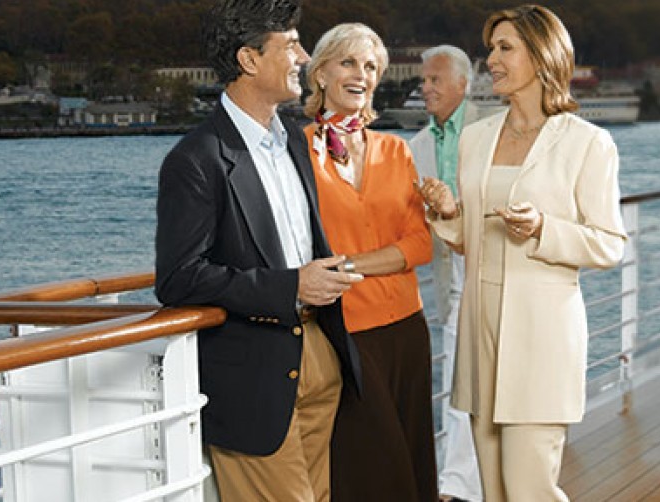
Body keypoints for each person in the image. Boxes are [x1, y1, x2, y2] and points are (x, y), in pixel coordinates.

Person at [154, 0, 364, 500]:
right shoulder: (195, 159)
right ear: (249, 60)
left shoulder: (294, 140)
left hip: (320, 352)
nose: (304, 58)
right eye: (290, 46)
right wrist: (291, 286)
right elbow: (179, 278)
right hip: (252, 376)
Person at [418, 5, 627, 501]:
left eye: (505, 48)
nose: (491, 59)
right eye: (491, 48)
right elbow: (472, 237)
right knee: (493, 491)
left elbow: (609, 243)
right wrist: (448, 212)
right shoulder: (476, 139)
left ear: (541, 55)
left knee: (530, 488)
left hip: (541, 335)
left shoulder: (588, 143)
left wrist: (542, 229)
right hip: (480, 331)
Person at [301, 23, 438, 502]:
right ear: (320, 74)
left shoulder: (396, 150)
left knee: (412, 461)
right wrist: (377, 262)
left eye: (370, 66)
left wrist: (345, 267)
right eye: (348, 62)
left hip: (407, 329)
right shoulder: (296, 153)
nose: (361, 75)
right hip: (343, 334)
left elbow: (421, 245)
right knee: (370, 469)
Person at [407, 45, 484, 502]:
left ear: (462, 84)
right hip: (450, 275)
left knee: (501, 382)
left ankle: (491, 476)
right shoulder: (416, 146)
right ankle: (457, 483)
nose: (426, 87)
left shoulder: (492, 128)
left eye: (435, 79)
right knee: (458, 378)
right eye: (424, 80)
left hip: (494, 266)